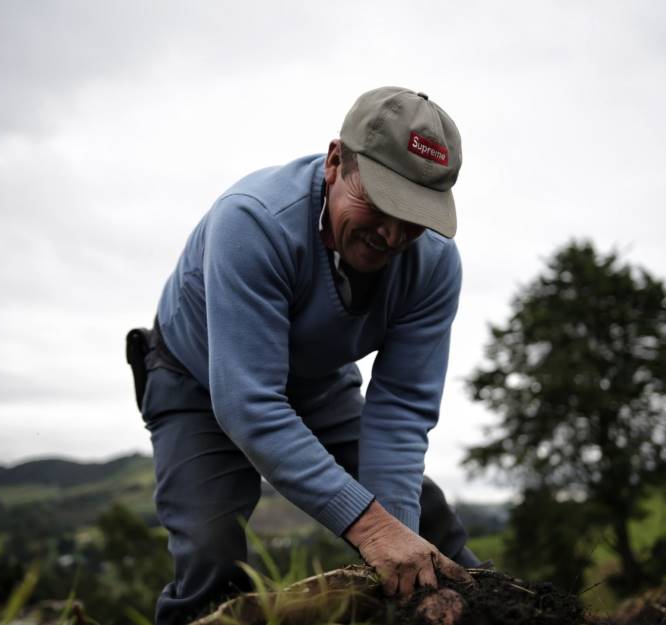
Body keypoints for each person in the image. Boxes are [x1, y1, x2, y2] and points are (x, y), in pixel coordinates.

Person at [130, 86, 480, 625]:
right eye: (382, 204)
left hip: (317, 384)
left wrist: (398, 546)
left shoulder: (432, 265)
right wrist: (371, 530)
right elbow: (249, 403)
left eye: (413, 217)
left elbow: (402, 409)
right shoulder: (254, 223)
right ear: (337, 162)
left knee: (429, 530)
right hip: (195, 381)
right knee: (211, 551)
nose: (391, 235)